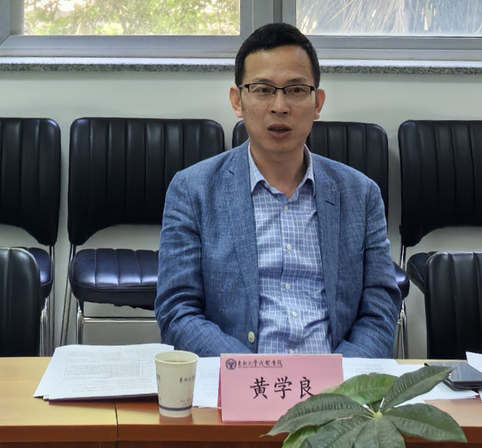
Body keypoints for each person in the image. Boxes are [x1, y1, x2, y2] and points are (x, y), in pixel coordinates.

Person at [155, 22, 400, 358]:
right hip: (239, 380)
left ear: (317, 103)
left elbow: (380, 309)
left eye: (296, 90)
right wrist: (247, 372)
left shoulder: (361, 194)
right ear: (237, 101)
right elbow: (177, 310)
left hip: (337, 383)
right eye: (263, 89)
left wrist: (344, 379)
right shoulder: (192, 190)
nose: (280, 106)